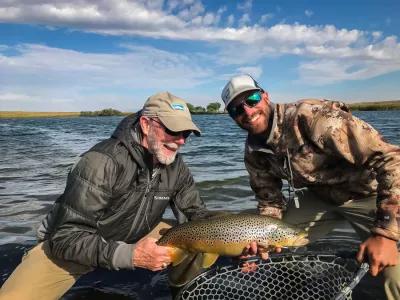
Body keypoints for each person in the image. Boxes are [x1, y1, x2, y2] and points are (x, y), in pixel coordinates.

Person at [0, 91, 211, 300]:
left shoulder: (176, 166)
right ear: (146, 125)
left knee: (195, 237)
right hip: (71, 247)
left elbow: (197, 215)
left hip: (136, 233)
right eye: (173, 130)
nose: (181, 141)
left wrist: (238, 242)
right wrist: (131, 256)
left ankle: (181, 290)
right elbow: (66, 238)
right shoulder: (100, 162)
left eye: (186, 133)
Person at [221, 74, 400, 300]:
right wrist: (257, 244)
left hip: (372, 195)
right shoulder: (253, 152)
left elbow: (392, 159)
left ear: (265, 96)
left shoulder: (313, 117)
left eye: (252, 99)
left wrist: (386, 234)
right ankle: (295, 290)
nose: (247, 111)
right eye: (236, 109)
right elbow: (270, 202)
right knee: (282, 246)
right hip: (320, 198)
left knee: (395, 276)